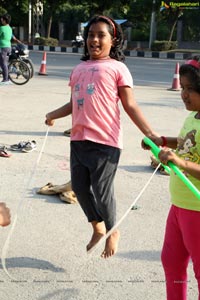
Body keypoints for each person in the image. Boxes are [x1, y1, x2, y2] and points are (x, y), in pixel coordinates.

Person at [45, 15, 157, 258]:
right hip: (78, 140)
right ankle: (97, 226)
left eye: (101, 35)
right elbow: (75, 102)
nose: (94, 39)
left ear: (113, 39)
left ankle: (113, 230)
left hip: (105, 142)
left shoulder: (118, 68)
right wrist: (53, 114)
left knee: (102, 191)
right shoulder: (78, 69)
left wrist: (150, 134)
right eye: (90, 35)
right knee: (81, 189)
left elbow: (130, 105)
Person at [144, 56, 200, 299]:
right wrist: (163, 141)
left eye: (191, 89)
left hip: (196, 209)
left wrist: (179, 161)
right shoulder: (194, 116)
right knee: (172, 262)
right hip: (178, 205)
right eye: (183, 88)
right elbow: (188, 141)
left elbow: (184, 157)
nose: (184, 94)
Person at [0, 13, 13, 85]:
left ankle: (5, 80)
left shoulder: (2, 28)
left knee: (3, 63)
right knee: (5, 63)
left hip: (3, 47)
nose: (1, 20)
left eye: (2, 19)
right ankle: (8, 78)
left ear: (5, 20)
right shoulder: (10, 28)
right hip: (9, 47)